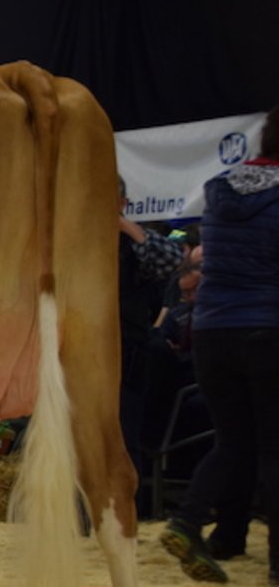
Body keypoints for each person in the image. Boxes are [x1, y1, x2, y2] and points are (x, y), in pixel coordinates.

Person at [160, 106, 279, 586]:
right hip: (267, 327)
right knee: (274, 449)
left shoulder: (221, 188)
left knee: (233, 442)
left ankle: (190, 523)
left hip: (211, 331)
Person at [116, 178, 186, 517]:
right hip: (74, 355)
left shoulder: (136, 241)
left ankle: (129, 514)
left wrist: (129, 229)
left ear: (123, 202)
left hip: (126, 352)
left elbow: (174, 259)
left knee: (125, 439)